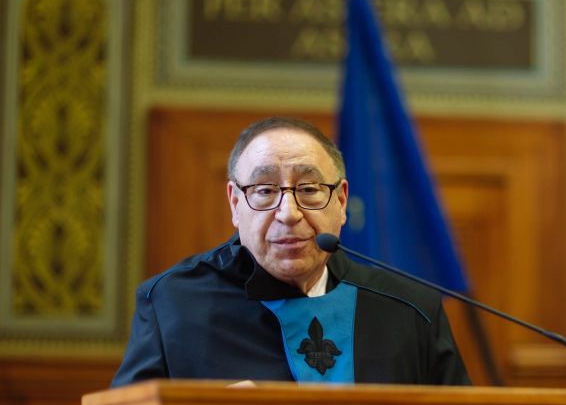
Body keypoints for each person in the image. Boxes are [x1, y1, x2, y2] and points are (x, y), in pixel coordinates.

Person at [111, 117, 470, 387]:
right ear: (235, 204)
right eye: (265, 190)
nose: (288, 212)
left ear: (341, 201)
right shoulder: (172, 304)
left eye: (309, 188)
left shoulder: (410, 309)